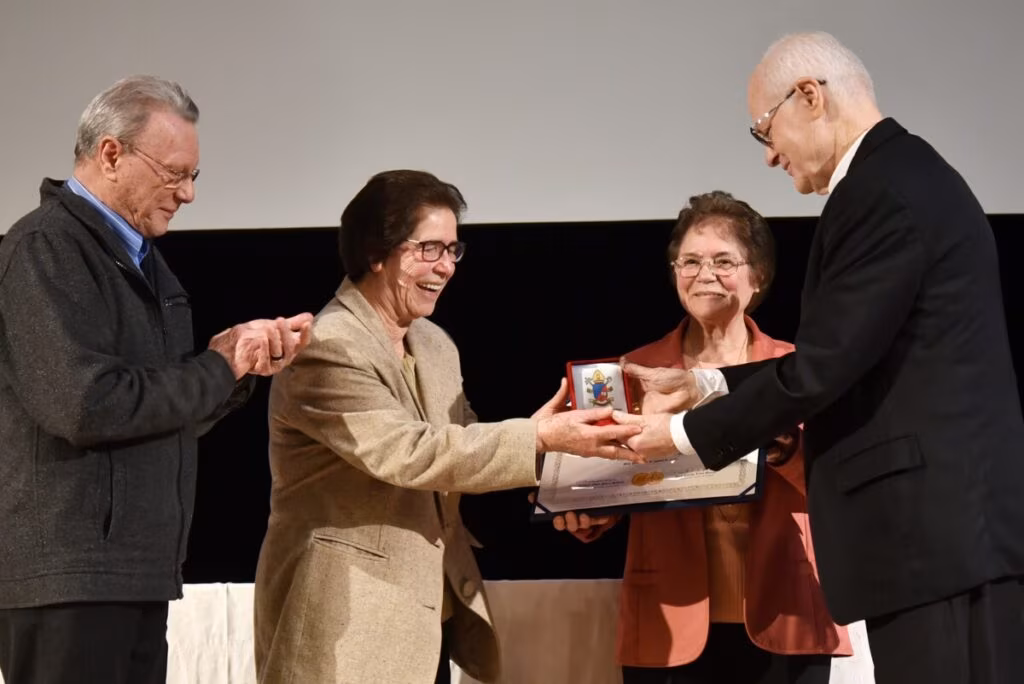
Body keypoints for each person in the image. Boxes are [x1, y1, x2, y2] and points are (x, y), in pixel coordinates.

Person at [615, 32, 1024, 683]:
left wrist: (677, 434)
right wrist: (705, 382)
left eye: (763, 130)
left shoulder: (881, 191)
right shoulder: (900, 177)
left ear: (809, 97)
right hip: (941, 539)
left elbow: (823, 368)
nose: (770, 155)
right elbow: (842, 357)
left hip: (935, 540)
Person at [252, 169, 640, 684]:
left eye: (453, 250)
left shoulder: (434, 343)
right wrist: (539, 436)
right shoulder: (325, 347)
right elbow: (411, 453)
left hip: (427, 616)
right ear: (376, 251)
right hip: (344, 623)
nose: (446, 267)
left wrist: (562, 481)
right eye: (429, 249)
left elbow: (466, 444)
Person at [0, 75, 313, 684]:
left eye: (194, 175)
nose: (189, 193)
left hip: (133, 572)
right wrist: (218, 365)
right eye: (175, 174)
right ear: (110, 153)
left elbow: (154, 413)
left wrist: (235, 368)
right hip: (70, 580)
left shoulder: (143, 260)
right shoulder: (45, 249)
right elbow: (87, 407)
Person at [554, 191, 850, 684]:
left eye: (722, 261)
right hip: (668, 618)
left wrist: (782, 449)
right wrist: (587, 509)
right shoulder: (636, 369)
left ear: (757, 277)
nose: (703, 274)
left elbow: (834, 480)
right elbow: (607, 476)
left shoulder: (796, 369)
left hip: (788, 613)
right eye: (689, 261)